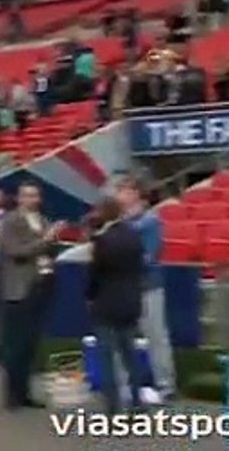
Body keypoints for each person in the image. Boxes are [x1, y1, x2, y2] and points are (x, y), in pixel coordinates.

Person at [0, 181, 62, 410]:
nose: (32, 199)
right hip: (18, 289)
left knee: (30, 345)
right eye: (27, 195)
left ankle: (25, 393)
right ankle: (11, 396)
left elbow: (45, 251)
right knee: (15, 344)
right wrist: (45, 240)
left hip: (40, 286)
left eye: (35, 195)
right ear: (19, 198)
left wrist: (51, 244)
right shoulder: (10, 221)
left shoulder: (43, 220)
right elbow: (15, 251)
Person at [115, 174, 175, 400]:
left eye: (123, 190)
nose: (118, 195)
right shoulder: (118, 222)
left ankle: (165, 385)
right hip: (123, 288)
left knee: (156, 336)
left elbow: (148, 256)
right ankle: (125, 386)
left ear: (135, 194)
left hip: (148, 287)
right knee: (123, 338)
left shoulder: (151, 222)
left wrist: (118, 260)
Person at [86, 197, 146, 413]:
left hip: (106, 304)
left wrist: (89, 297)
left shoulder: (102, 241)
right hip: (130, 302)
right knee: (130, 356)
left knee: (107, 358)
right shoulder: (134, 236)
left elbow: (95, 274)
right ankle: (137, 403)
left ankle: (113, 408)